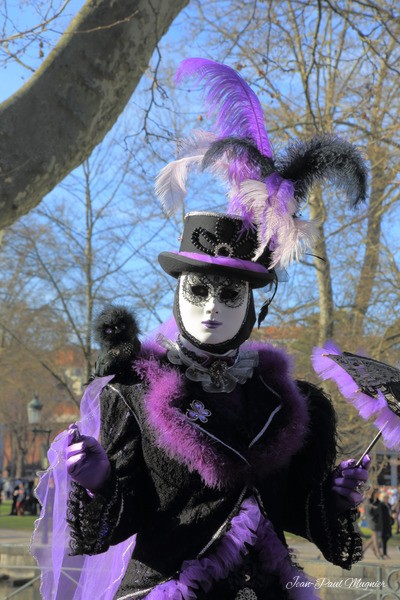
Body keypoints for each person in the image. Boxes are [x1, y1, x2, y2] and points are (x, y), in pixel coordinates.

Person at [32, 59, 371, 600]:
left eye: (230, 293)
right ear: (178, 293)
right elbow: (112, 528)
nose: (213, 305)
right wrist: (97, 482)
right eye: (199, 290)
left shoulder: (292, 403)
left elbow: (300, 515)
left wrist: (333, 497)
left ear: (252, 306)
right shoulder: (134, 397)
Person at [363, 489, 383, 559]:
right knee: (375, 536)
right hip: (372, 521)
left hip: (378, 521)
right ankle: (377, 552)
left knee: (373, 537)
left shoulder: (378, 501)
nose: (378, 494)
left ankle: (363, 549)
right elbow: (367, 512)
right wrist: (373, 518)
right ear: (374, 493)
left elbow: (380, 511)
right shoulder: (368, 501)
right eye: (377, 493)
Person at [380, 493, 393, 558]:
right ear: (383, 498)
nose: (387, 499)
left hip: (388, 523)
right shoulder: (381, 505)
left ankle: (379, 544)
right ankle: (384, 554)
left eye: (387, 498)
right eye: (385, 498)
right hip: (383, 523)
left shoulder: (389, 505)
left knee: (389, 535)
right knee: (384, 538)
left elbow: (391, 512)